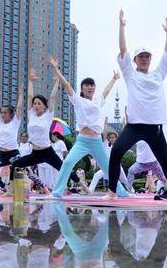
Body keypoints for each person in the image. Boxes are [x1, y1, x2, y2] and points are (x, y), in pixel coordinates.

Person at [107, 10, 167, 199]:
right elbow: (123, 50)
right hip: (134, 126)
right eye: (141, 56)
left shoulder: (158, 74)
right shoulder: (130, 75)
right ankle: (111, 193)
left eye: (147, 56)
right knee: (116, 152)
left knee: (166, 163)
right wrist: (122, 27)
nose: (144, 58)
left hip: (155, 128)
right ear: (135, 60)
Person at [48, 63, 129, 197]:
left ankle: (121, 192)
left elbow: (106, 92)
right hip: (83, 141)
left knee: (107, 168)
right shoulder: (77, 100)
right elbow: (67, 85)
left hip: (96, 141)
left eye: (91, 85)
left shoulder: (98, 100)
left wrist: (114, 79)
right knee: (68, 162)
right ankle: (56, 193)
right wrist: (56, 70)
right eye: (86, 85)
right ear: (82, 88)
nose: (89, 87)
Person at [10, 61, 66, 183]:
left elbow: (52, 98)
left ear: (44, 106)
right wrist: (30, 81)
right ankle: (10, 188)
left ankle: (84, 187)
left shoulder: (48, 115)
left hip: (47, 151)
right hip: (35, 152)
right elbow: (30, 95)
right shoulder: (31, 114)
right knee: (16, 164)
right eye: (35, 103)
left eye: (39, 103)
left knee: (63, 169)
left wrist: (57, 81)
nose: (36, 105)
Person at [0, 83, 23, 177]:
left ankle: (43, 187)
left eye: (5, 113)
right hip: (2, 154)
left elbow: (19, 108)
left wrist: (20, 94)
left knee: (24, 170)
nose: (2, 114)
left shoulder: (15, 122)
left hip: (13, 153)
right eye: (2, 113)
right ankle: (3, 187)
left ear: (10, 114)